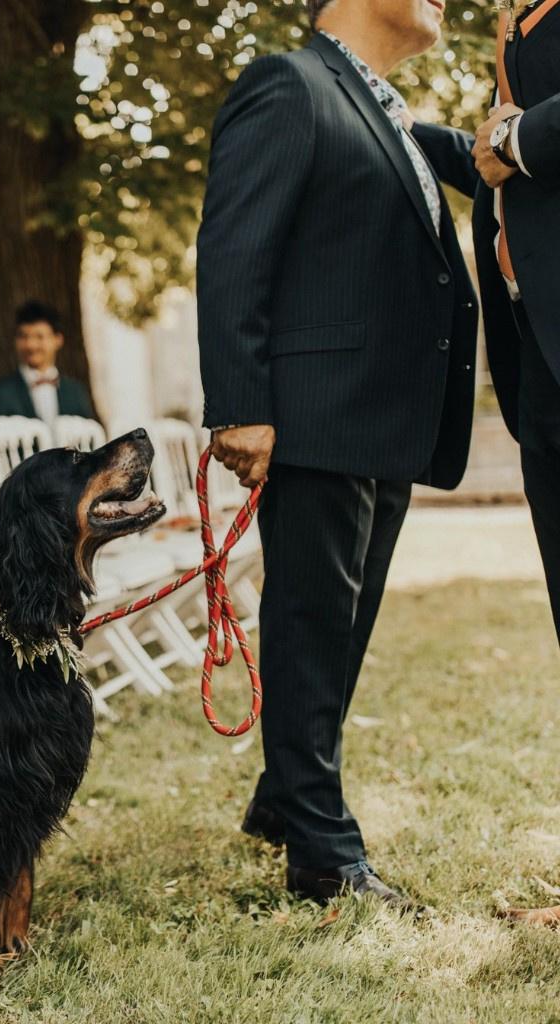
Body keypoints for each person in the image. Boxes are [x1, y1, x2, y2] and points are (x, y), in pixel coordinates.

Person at [196, 0, 478, 906]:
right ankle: (323, 854)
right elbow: (236, 243)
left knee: (342, 631)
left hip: (384, 423)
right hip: (313, 415)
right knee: (314, 627)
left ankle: (283, 800)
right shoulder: (290, 84)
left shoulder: (390, 115)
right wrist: (240, 403)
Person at [413, 0, 560, 929]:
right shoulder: (511, 23)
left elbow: (522, 151)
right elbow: (506, 182)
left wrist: (522, 136)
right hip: (541, 374)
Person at [0, 301, 94, 426]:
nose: (30, 345)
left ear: (58, 339)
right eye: (23, 336)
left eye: (39, 337)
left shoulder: (76, 391)